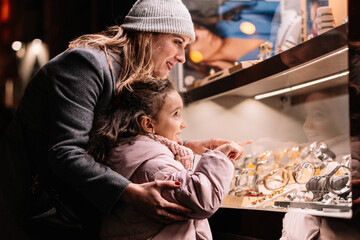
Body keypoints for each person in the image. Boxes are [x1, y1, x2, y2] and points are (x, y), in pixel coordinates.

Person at [0, 0, 243, 238]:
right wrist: (130, 192)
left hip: (70, 206)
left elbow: (124, 136)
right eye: (177, 42)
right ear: (147, 35)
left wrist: (185, 146)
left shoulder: (131, 74)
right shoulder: (85, 64)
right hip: (31, 203)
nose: (182, 57)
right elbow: (66, 152)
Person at [87, 77, 247, 239]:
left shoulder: (132, 152)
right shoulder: (154, 165)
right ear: (148, 124)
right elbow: (202, 200)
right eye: (176, 114)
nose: (183, 124)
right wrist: (219, 157)